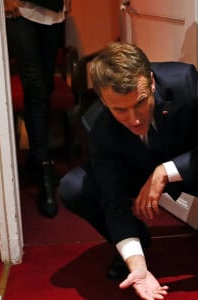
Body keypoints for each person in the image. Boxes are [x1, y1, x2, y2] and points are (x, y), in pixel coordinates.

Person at [59, 41, 198, 299]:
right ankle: (137, 241)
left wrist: (166, 171)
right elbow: (112, 201)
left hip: (189, 165)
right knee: (74, 188)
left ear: (152, 81)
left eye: (141, 102)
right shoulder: (96, 126)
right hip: (134, 171)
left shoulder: (185, 81)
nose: (134, 119)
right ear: (103, 100)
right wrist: (137, 265)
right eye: (120, 110)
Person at [4, 0, 71, 218]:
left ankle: (37, 160)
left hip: (52, 10)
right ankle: (44, 171)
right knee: (34, 87)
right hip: (21, 10)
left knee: (46, 87)